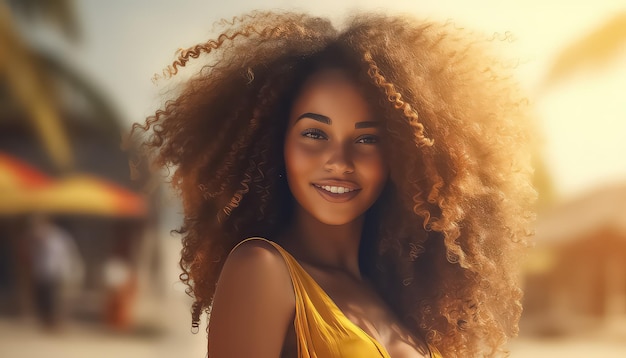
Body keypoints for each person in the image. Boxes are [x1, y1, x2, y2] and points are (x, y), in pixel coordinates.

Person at [131, 11, 535, 357]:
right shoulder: (263, 270)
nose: (339, 162)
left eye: (366, 139)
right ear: (278, 144)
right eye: (314, 134)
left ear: (402, 154)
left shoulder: (394, 293)